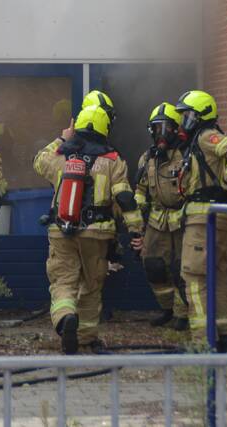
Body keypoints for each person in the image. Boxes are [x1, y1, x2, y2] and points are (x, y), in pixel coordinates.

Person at [34, 104, 142, 353]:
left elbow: (38, 161)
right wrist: (137, 231)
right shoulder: (113, 161)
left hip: (61, 231)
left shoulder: (61, 157)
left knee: (63, 281)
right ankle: (85, 337)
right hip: (98, 232)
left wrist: (62, 138)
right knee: (92, 286)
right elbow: (124, 198)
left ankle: (65, 319)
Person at [174, 89, 227, 353]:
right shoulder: (198, 139)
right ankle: (224, 336)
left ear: (200, 115)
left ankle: (201, 343)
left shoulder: (207, 136)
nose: (184, 121)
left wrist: (226, 188)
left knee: (194, 277)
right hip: (213, 217)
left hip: (204, 218)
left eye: (187, 115)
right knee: (216, 276)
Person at [132, 102, 189, 330]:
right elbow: (140, 192)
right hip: (156, 222)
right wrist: (138, 226)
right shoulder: (147, 159)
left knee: (181, 269)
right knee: (154, 266)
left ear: (176, 129)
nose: (161, 134)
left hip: (182, 221)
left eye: (165, 128)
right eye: (156, 129)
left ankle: (183, 314)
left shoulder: (186, 156)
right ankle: (167, 308)